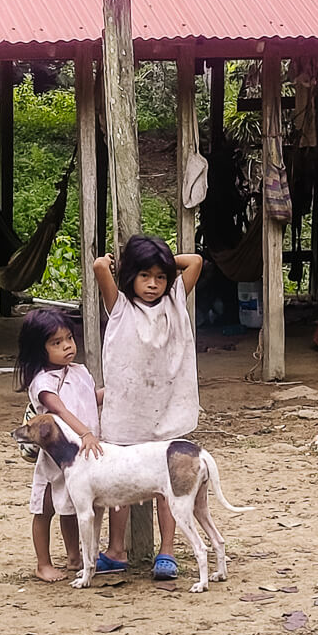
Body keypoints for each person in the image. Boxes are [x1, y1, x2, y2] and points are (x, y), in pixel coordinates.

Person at [92, 234, 204, 580]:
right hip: (127, 410)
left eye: (160, 276)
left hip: (167, 408)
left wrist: (163, 262)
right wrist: (120, 264)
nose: (153, 284)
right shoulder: (120, 304)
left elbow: (195, 261)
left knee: (167, 485)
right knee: (118, 485)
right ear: (130, 277)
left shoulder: (175, 298)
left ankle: (166, 552)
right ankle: (116, 550)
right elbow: (99, 266)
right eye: (144, 276)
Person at [15, 308, 103, 582]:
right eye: (56, 342)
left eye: (69, 338)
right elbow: (61, 410)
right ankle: (43, 563)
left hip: (81, 457)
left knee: (72, 505)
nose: (67, 346)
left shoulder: (80, 371)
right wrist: (86, 434)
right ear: (39, 350)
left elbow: (91, 398)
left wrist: (117, 390)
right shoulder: (42, 382)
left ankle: (74, 557)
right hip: (56, 457)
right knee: (45, 508)